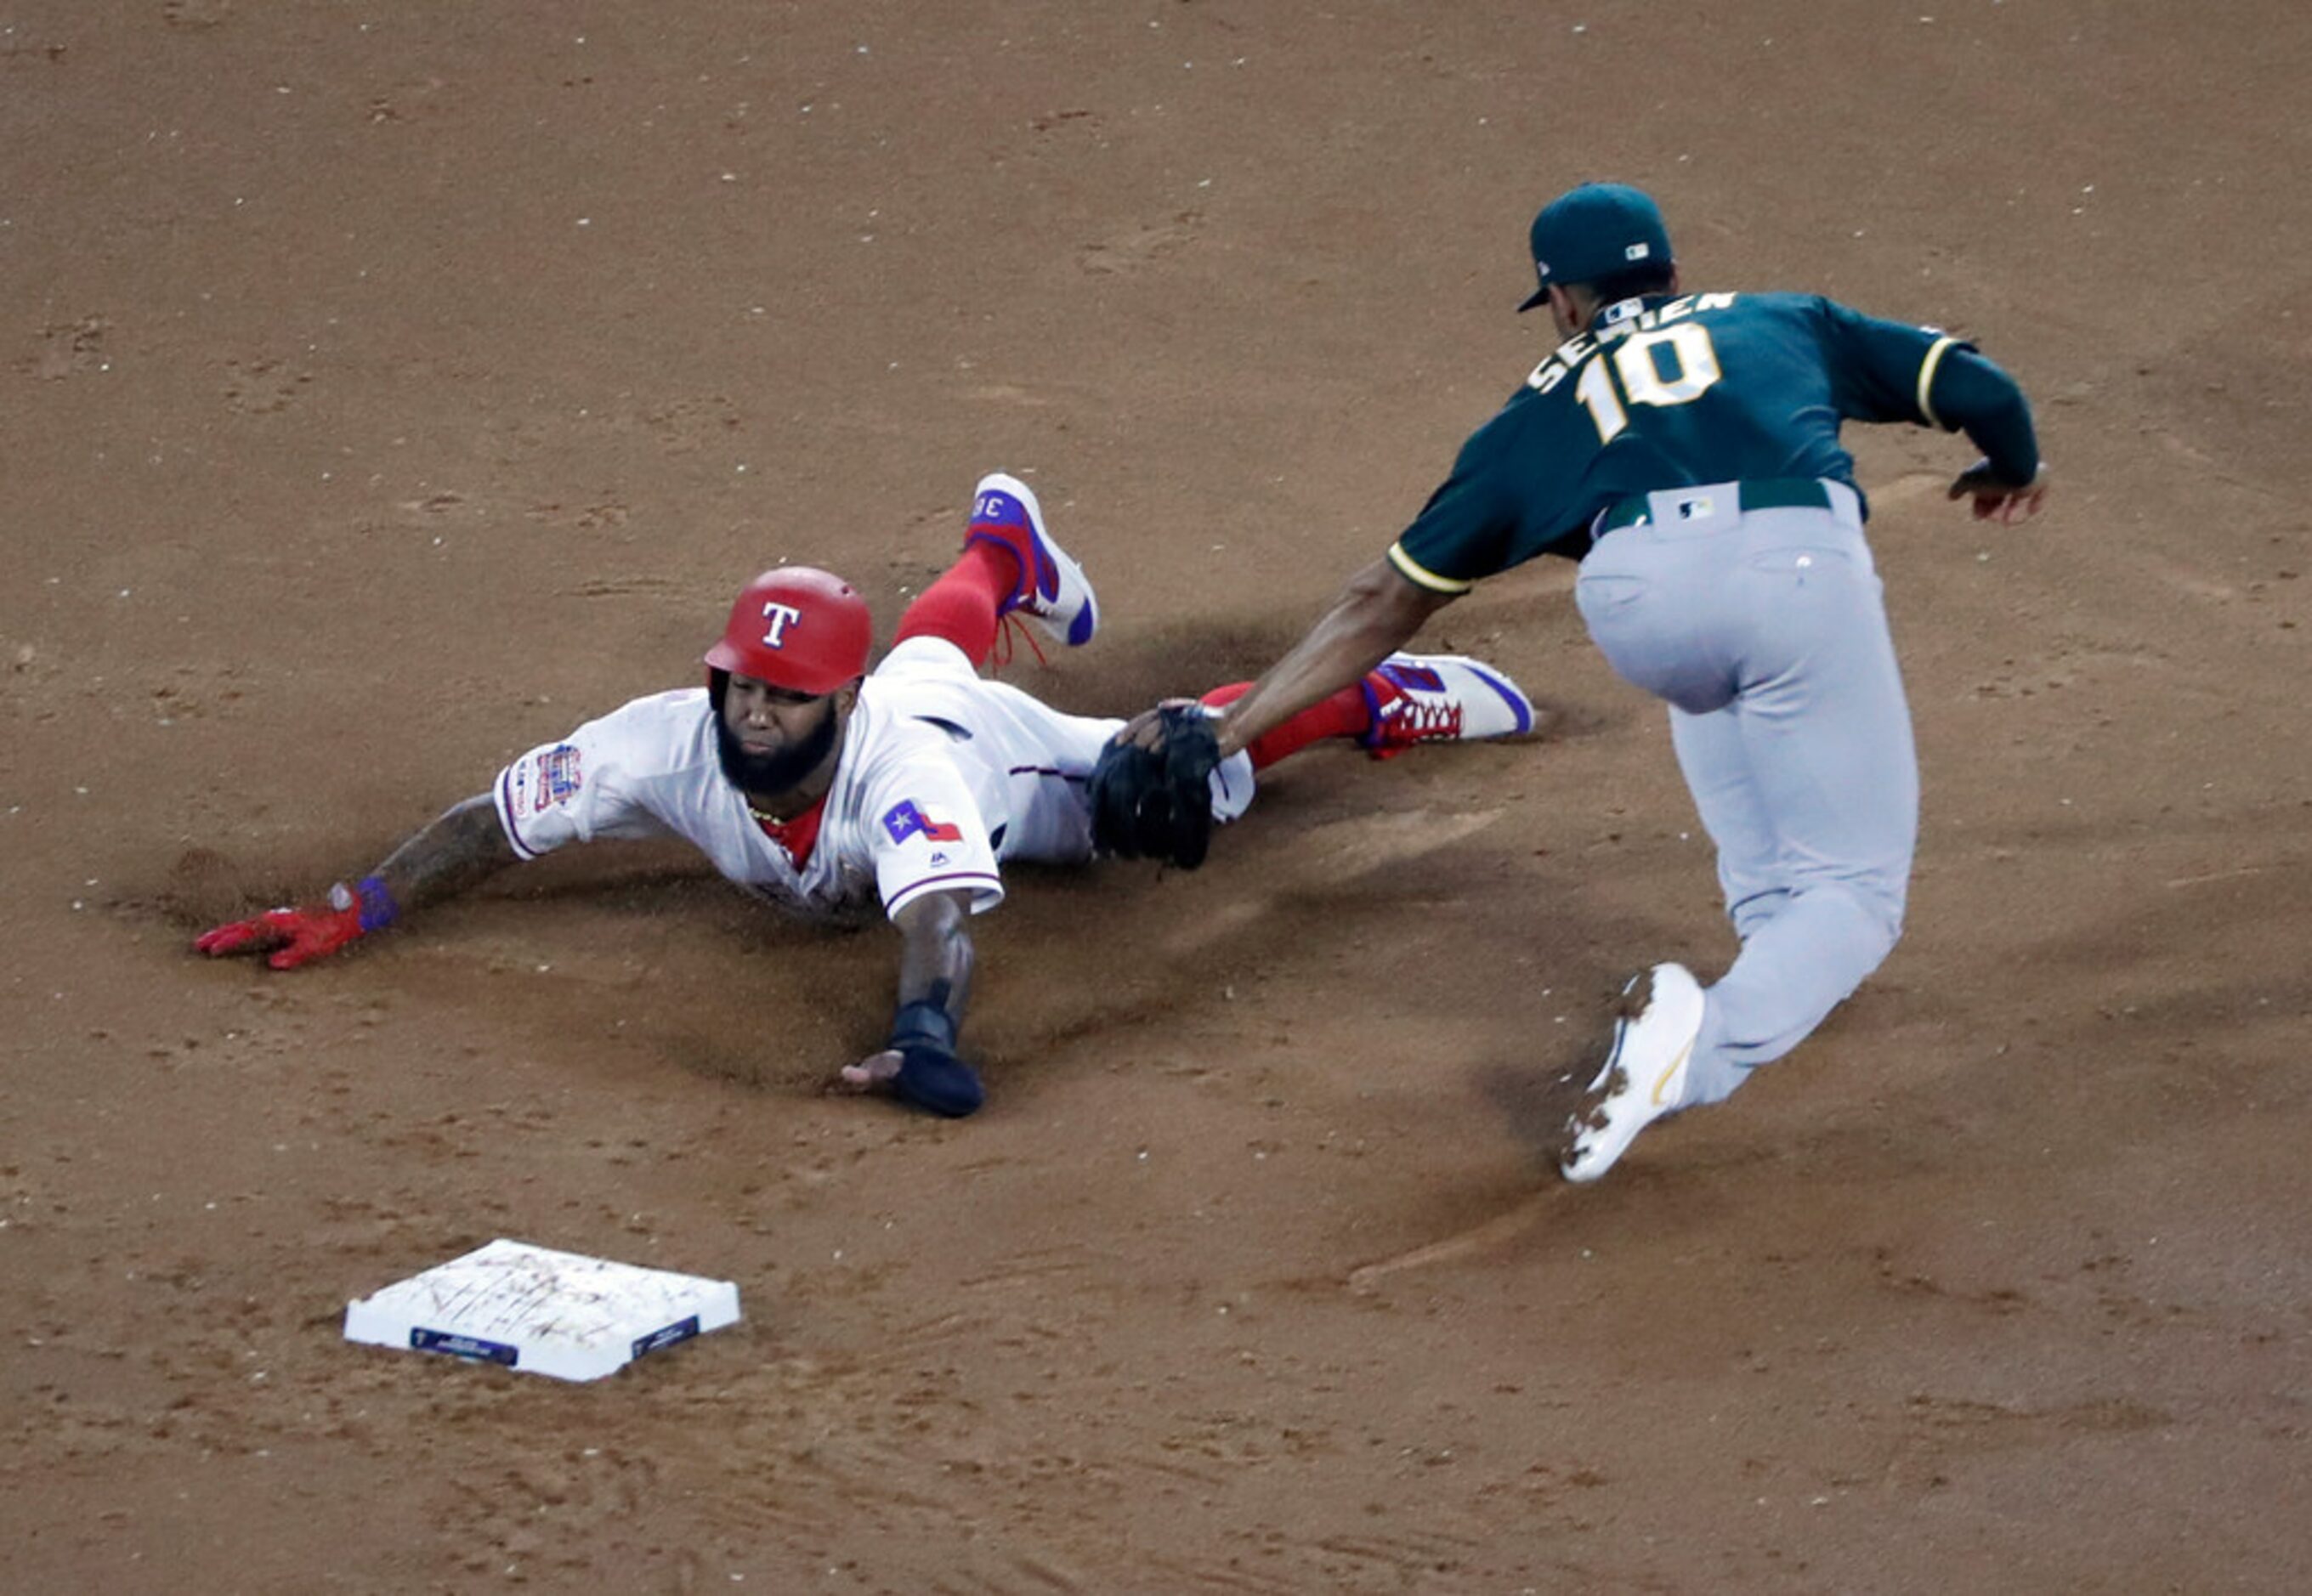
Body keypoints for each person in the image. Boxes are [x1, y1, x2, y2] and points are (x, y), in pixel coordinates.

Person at [1129, 183, 2048, 1181]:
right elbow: (1978, 387)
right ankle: (1692, 1054)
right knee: (1856, 895)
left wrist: (1226, 734)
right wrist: (2009, 466)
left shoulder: (1535, 410)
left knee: (1737, 733)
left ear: (1564, 302)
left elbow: (1382, 600)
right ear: (1670, 273)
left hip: (1640, 604)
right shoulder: (1779, 319)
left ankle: (1780, 963)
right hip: (1793, 571)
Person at [196, 473, 1538, 1117]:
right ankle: (998, 547)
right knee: (933, 639)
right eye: (742, 685)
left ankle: (1373, 699)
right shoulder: (661, 742)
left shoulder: (904, 771)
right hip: (915, 680)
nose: (754, 710)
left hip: (995, 754)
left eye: (784, 697)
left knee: (1170, 784)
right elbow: (498, 819)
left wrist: (926, 1035)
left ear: (835, 705)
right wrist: (356, 905)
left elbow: (942, 916)